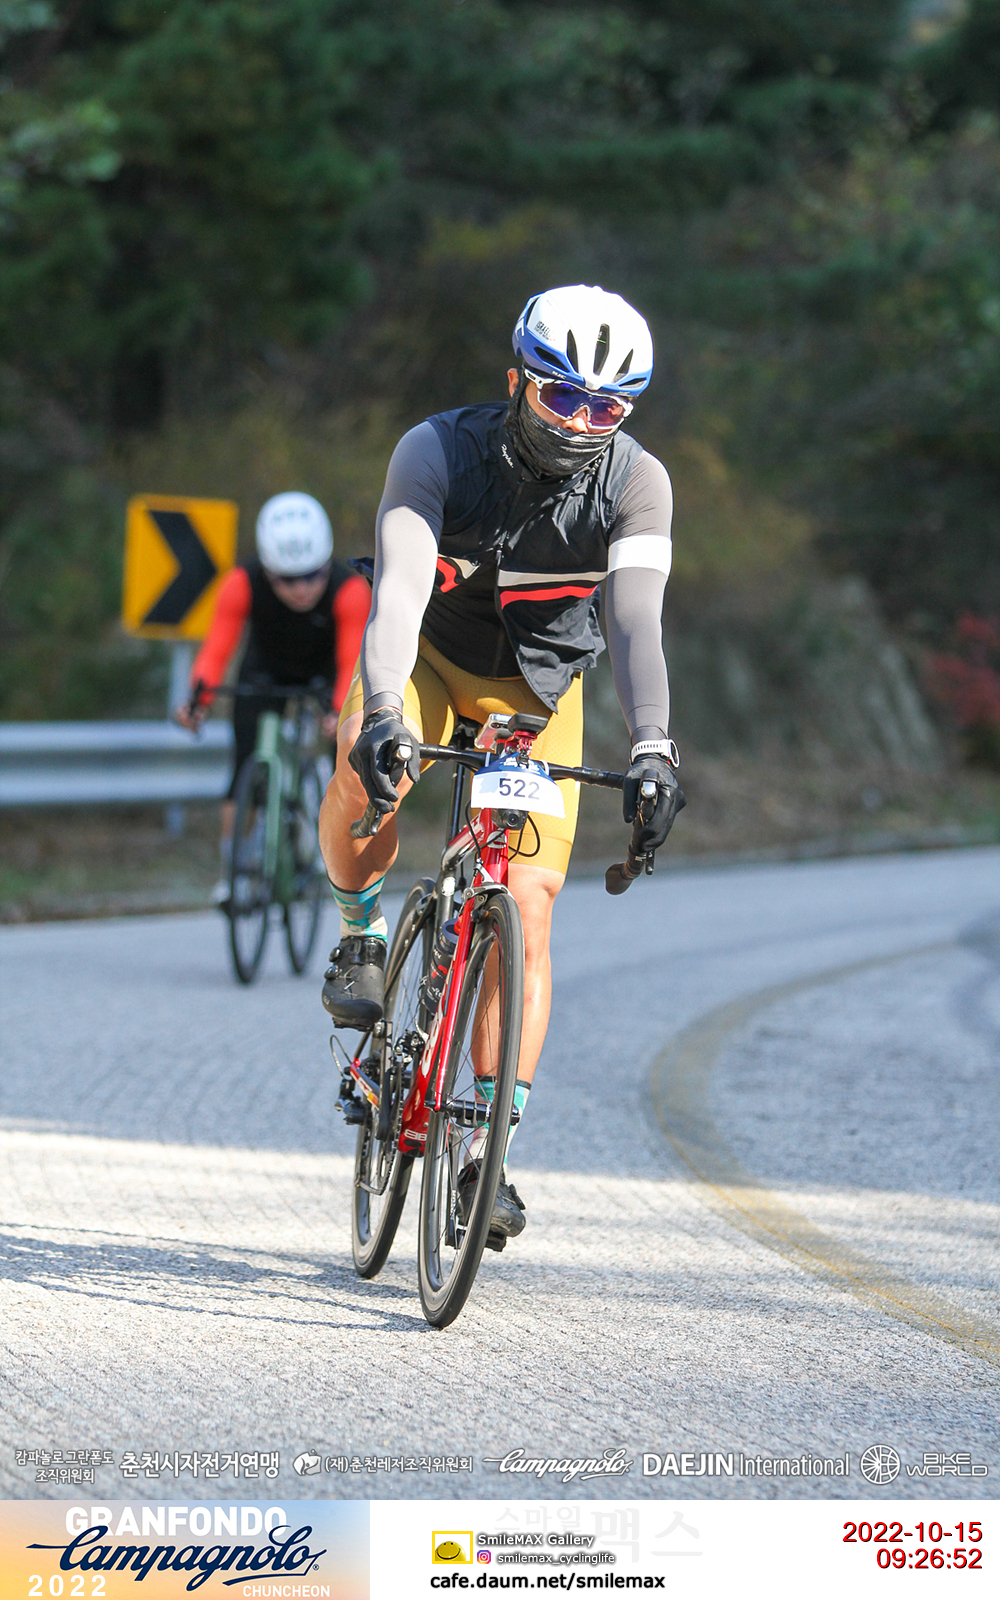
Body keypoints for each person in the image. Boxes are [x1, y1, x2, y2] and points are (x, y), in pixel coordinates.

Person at [318, 285, 683, 1240]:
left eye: (608, 407)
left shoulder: (637, 484)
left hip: (537, 691)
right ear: (518, 379)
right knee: (365, 769)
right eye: (563, 396)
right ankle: (359, 933)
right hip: (428, 660)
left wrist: (653, 745)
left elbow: (636, 624)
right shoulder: (437, 450)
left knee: (528, 901)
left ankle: (489, 1143)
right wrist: (384, 712)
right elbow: (399, 592)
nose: (582, 423)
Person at [177, 491, 370, 904]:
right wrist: (198, 701)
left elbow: (350, 659)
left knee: (344, 746)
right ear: (267, 570)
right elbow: (217, 649)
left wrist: (340, 710)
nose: (301, 589)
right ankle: (233, 870)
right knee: (243, 765)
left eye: (312, 576)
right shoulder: (240, 583)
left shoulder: (350, 589)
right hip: (264, 671)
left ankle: (327, 836)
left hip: (326, 674)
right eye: (286, 580)